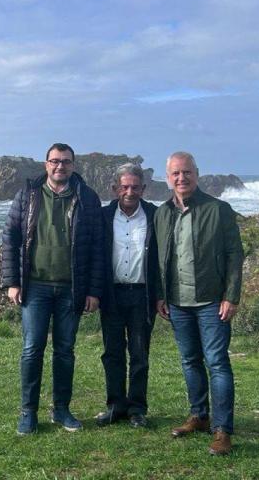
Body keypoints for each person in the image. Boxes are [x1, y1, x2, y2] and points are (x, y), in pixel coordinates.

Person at [2, 143, 104, 435]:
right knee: (32, 349)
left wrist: (93, 291)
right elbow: (10, 236)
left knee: (65, 351)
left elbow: (98, 247)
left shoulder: (87, 198)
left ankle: (61, 410)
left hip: (72, 289)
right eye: (55, 161)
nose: (61, 167)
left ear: (73, 165)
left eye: (66, 162)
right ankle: (28, 412)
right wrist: (12, 282)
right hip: (35, 288)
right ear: (46, 164)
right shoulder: (28, 194)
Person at [154, 151, 244, 455]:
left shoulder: (219, 209)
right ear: (168, 178)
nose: (182, 178)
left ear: (197, 174)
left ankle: (222, 430)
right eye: (176, 174)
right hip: (177, 302)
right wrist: (160, 296)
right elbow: (158, 259)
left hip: (211, 301)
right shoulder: (162, 213)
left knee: (217, 363)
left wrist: (231, 295)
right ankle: (199, 416)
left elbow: (234, 255)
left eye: (187, 172)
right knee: (189, 361)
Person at [95, 163, 159, 429]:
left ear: (143, 189)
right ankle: (115, 405)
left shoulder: (157, 215)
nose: (129, 192)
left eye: (135, 187)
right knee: (112, 352)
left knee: (139, 353)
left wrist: (162, 294)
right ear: (115, 189)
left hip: (143, 294)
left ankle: (137, 408)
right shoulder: (103, 215)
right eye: (124, 187)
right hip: (112, 293)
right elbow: (94, 255)